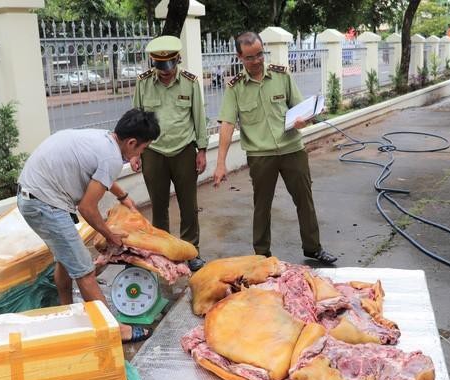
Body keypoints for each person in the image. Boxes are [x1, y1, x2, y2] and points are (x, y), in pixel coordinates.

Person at [17, 108, 160, 343]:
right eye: (142, 149)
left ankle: (67, 311)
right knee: (84, 270)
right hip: (45, 203)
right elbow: (87, 208)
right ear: (132, 142)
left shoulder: (105, 138)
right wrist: (109, 233)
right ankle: (114, 330)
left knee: (65, 258)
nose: (141, 154)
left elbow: (100, 173)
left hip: (33, 195)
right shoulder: (112, 157)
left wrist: (123, 196)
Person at [213, 31, 338, 265]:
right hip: (261, 156)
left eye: (260, 54)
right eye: (250, 57)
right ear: (239, 57)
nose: (257, 60)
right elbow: (228, 124)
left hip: (292, 149)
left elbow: (301, 108)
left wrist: (304, 119)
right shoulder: (235, 87)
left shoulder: (282, 76)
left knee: (304, 200)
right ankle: (261, 255)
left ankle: (313, 248)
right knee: (262, 206)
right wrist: (220, 163)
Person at [131, 35, 208, 271]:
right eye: (159, 66)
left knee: (188, 205)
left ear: (177, 60)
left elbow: (199, 117)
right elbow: (136, 118)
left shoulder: (190, 82)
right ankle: (163, 251)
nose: (165, 72)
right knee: (159, 205)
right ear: (153, 63)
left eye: (169, 66)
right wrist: (135, 154)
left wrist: (201, 150)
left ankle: (190, 250)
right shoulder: (143, 83)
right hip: (153, 151)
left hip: (184, 149)